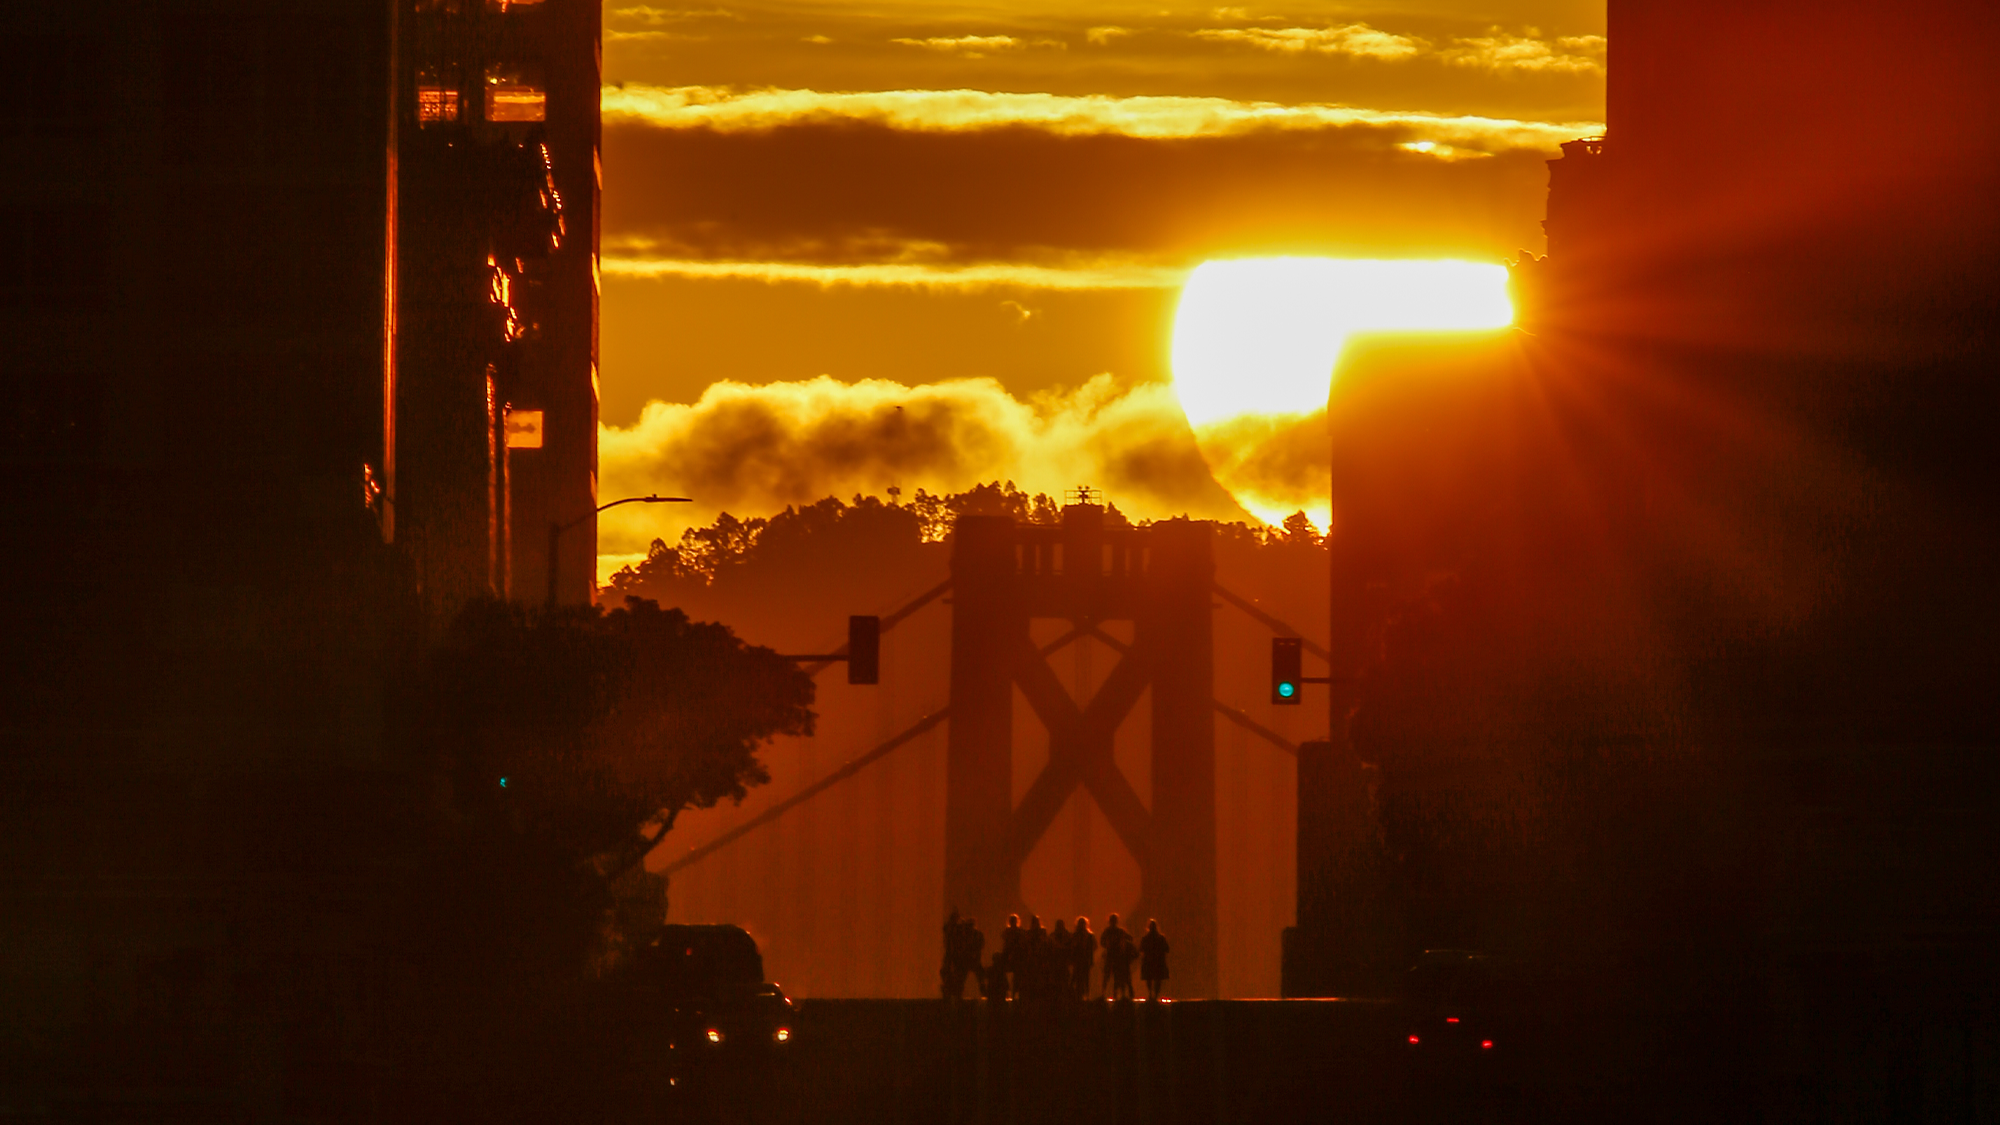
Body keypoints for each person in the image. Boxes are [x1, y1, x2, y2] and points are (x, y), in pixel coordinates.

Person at [1100, 913, 1133, 1000]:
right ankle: (1116, 994)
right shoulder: (1119, 931)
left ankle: (1104, 994)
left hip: (1112, 956)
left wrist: (1108, 945)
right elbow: (1130, 938)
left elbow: (1101, 942)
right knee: (1116, 976)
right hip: (1117, 956)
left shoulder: (1108, 931)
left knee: (1109, 976)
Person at [1139, 919, 1169, 1002]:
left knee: (1149, 978)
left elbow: (1141, 949)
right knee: (1157, 979)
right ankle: (1155, 995)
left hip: (1148, 961)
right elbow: (1167, 949)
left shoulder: (1145, 938)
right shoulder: (1161, 938)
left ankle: (1150, 994)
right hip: (1158, 962)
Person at [997, 914, 1023, 1000]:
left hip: (1015, 955)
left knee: (1016, 975)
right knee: (1002, 971)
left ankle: (1013, 991)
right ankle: (1008, 990)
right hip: (1011, 954)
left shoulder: (1017, 931)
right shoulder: (1012, 931)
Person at [1070, 917, 1096, 1000]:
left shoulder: (1076, 935)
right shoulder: (1089, 935)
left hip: (1081, 959)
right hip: (1082, 959)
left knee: (1081, 978)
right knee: (1082, 978)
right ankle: (1084, 996)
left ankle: (1082, 996)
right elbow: (1094, 946)